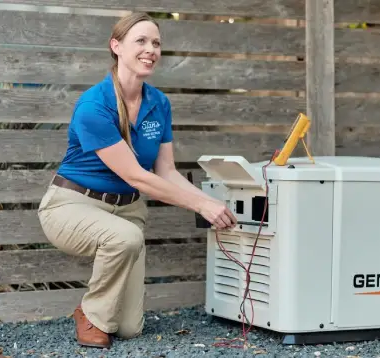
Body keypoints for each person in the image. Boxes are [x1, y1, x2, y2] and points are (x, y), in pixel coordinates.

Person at [37, 12, 237, 349]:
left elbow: (167, 172)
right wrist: (201, 205)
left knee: (129, 328)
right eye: (140, 41)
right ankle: (90, 314)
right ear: (116, 46)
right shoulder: (93, 105)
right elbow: (134, 175)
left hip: (127, 213)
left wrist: (214, 204)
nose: (151, 49)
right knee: (125, 239)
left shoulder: (159, 103)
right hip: (71, 205)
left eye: (156, 43)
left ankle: (98, 313)